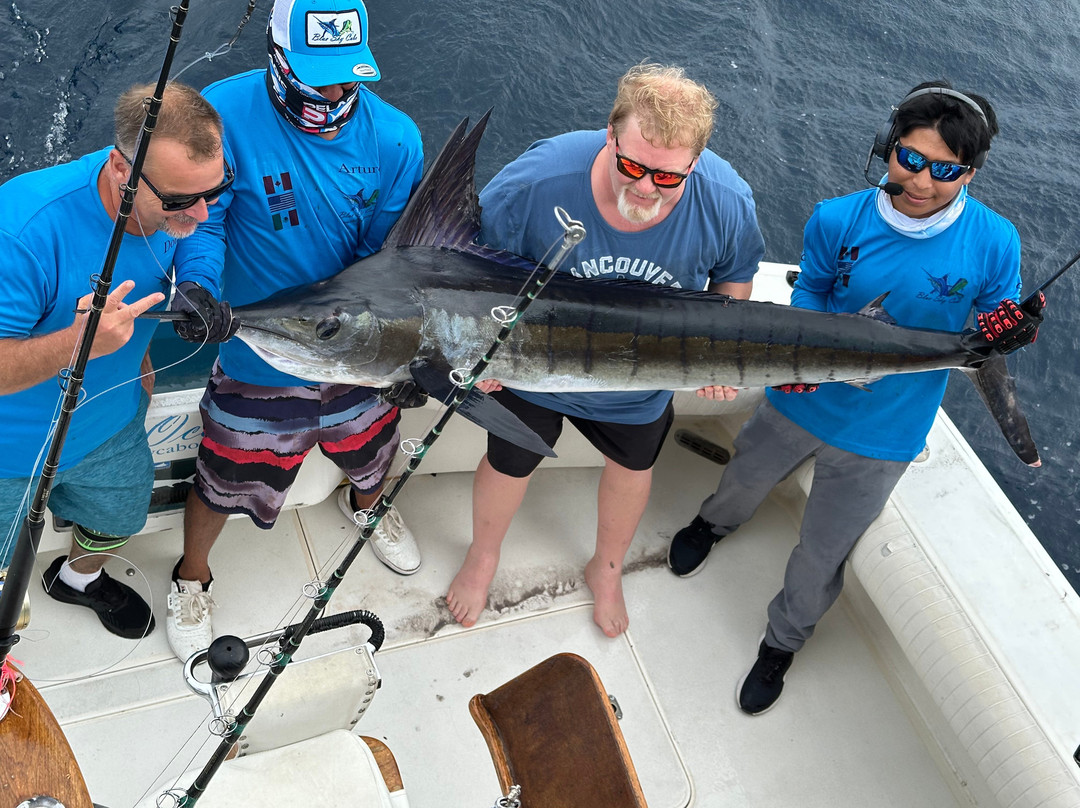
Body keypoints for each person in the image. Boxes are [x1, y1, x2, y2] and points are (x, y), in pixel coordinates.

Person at [668, 81, 1045, 715]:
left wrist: (1013, 329)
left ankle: (781, 642)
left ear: (970, 173)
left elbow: (990, 322)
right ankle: (714, 523)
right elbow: (812, 291)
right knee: (744, 474)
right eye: (910, 159)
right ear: (888, 147)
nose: (922, 181)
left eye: (945, 170)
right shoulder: (837, 217)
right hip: (801, 399)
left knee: (822, 551)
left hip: (885, 433)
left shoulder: (994, 240)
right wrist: (801, 357)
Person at [446, 63, 766, 638]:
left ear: (695, 162)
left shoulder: (727, 202)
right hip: (531, 370)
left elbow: (734, 280)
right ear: (609, 135)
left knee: (633, 466)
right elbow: (473, 271)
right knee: (508, 460)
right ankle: (483, 555)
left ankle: (607, 567)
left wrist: (723, 354)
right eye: (632, 165)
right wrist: (480, 358)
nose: (645, 187)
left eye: (669, 177)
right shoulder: (534, 183)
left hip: (637, 386)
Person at [164, 0, 424, 661]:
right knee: (224, 473)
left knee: (373, 450)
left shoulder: (395, 140)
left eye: (347, 79)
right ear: (276, 58)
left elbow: (383, 265)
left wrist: (396, 362)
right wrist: (199, 285)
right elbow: (207, 220)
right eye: (319, 78)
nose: (335, 94)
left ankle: (368, 506)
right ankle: (192, 577)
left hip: (356, 357)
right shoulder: (219, 118)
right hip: (260, 355)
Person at [0, 82, 228, 639]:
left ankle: (77, 580)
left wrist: (198, 283)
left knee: (119, 519)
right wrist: (77, 345)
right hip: (8, 452)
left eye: (214, 191)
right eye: (179, 201)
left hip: (112, 425)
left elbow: (203, 232)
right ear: (122, 170)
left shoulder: (185, 197)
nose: (199, 212)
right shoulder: (21, 231)